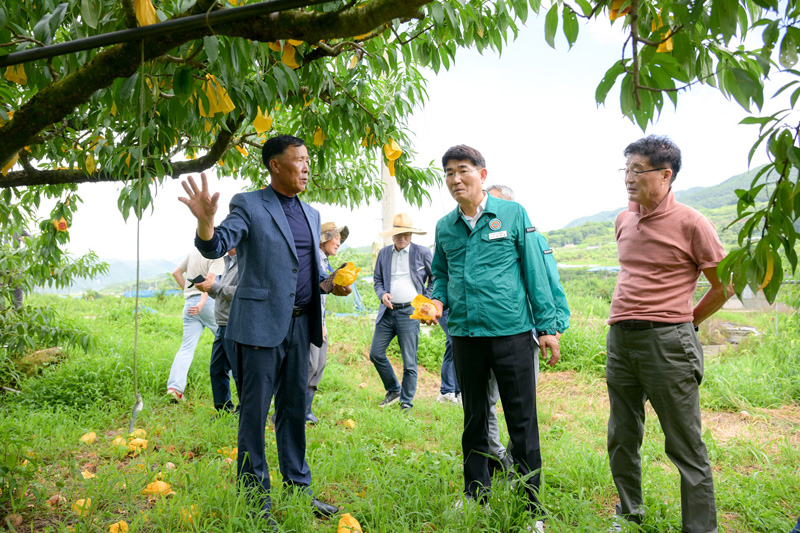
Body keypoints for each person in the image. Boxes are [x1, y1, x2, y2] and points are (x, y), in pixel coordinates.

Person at [178, 134, 350, 529]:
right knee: (254, 415)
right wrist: (206, 223)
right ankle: (256, 501)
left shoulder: (311, 213)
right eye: (299, 160)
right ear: (275, 164)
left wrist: (330, 285)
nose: (307, 167)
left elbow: (304, 270)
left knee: (294, 410)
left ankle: (298, 487)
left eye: (309, 160)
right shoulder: (249, 204)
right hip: (257, 327)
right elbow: (217, 243)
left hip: (300, 325)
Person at [422, 145, 566, 532]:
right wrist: (436, 301)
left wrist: (548, 327)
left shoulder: (512, 214)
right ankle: (475, 494)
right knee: (474, 419)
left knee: (522, 421)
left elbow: (535, 271)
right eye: (449, 172)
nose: (455, 179)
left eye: (463, 170)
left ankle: (531, 505)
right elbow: (441, 274)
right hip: (466, 336)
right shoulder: (444, 226)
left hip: (512, 335)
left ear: (482, 175)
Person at [606, 135, 732, 533]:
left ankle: (700, 529)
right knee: (622, 437)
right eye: (625, 169)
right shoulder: (624, 219)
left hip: (668, 343)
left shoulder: (693, 222)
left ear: (665, 175)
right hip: (620, 340)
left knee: (685, 444)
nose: (629, 177)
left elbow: (723, 285)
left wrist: (686, 321)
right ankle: (629, 515)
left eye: (637, 170)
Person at [483, 184, 570, 477]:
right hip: (483, 334)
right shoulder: (480, 238)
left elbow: (549, 281)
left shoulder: (532, 236)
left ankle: (515, 460)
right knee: (485, 401)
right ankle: (494, 457)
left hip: (524, 332)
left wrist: (555, 323)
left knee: (521, 404)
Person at [369, 213, 433, 412]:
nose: (402, 237)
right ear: (393, 235)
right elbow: (378, 280)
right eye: (398, 234)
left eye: (406, 234)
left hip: (409, 312)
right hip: (387, 313)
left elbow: (435, 278)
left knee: (409, 361)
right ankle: (394, 390)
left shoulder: (422, 252)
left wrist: (425, 301)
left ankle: (406, 401)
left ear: (411, 235)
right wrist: (382, 295)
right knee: (376, 353)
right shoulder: (385, 253)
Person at [166, 248, 225, 402]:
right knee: (229, 341)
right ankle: (246, 383)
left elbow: (176, 273)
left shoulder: (192, 252)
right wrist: (202, 302)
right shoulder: (217, 254)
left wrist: (188, 291)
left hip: (189, 304)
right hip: (207, 303)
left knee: (186, 348)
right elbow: (209, 282)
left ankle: (174, 389)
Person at [306, 221, 349, 424]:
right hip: (308, 320)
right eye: (336, 238)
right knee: (310, 365)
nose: (339, 243)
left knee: (319, 365)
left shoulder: (325, 261)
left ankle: (306, 410)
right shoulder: (313, 257)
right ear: (324, 237)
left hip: (319, 320)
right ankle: (292, 411)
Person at [196, 247, 240, 413]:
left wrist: (214, 287)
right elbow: (223, 292)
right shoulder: (227, 263)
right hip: (221, 323)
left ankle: (244, 410)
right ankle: (223, 409)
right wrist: (209, 288)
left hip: (234, 323)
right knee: (217, 368)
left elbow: (241, 292)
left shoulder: (245, 263)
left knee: (238, 371)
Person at [436, 309, 461, 405]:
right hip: (445, 309)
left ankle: (452, 391)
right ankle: (447, 391)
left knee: (454, 346)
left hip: (460, 310)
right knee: (453, 342)